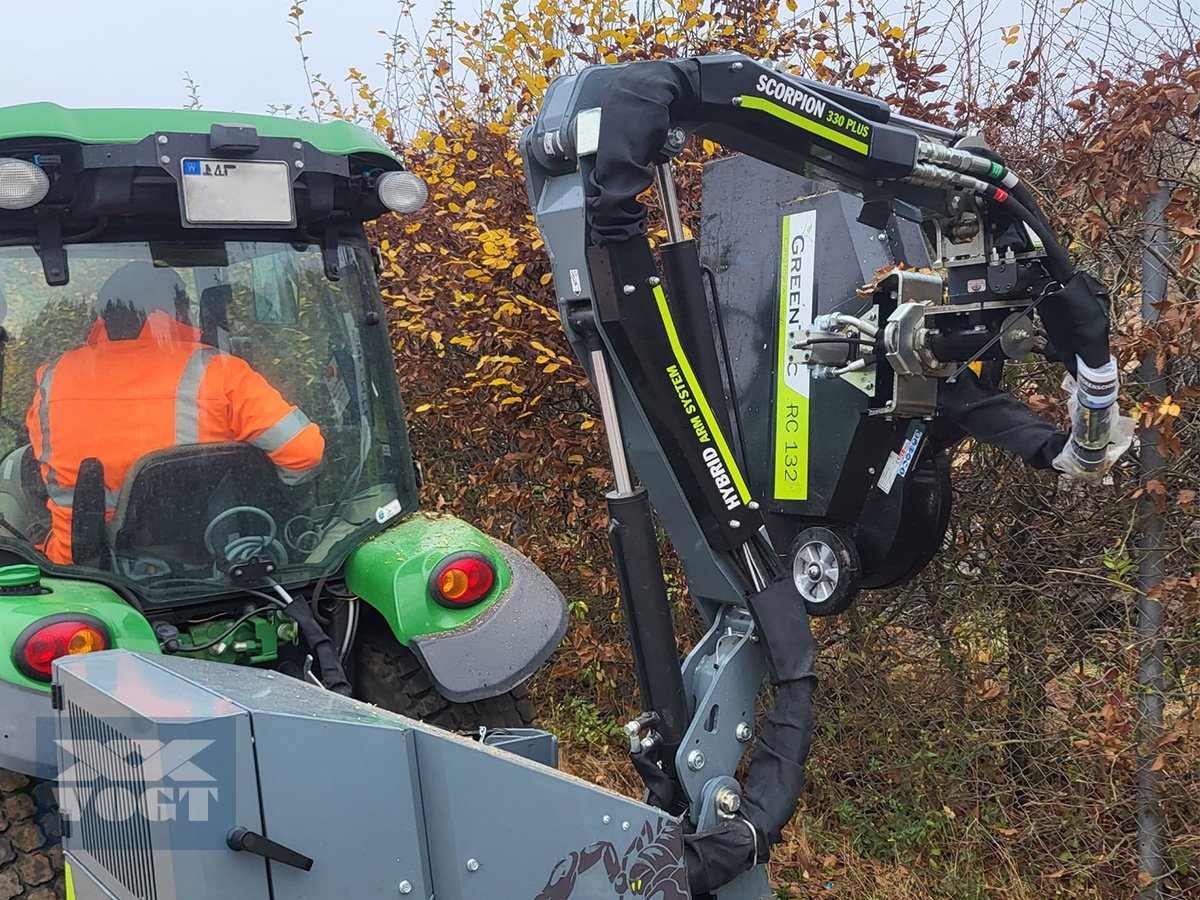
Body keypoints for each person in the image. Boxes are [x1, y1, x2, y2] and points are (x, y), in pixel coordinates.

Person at [27, 261, 324, 564]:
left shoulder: (53, 376)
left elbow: (44, 461)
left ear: (105, 315)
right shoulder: (218, 371)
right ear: (178, 310)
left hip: (78, 571)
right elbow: (304, 453)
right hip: (198, 568)